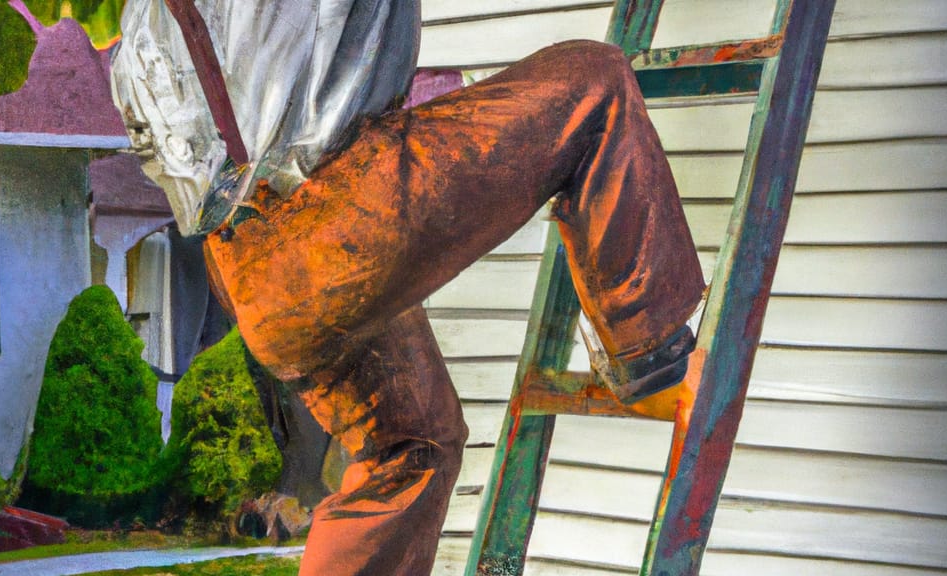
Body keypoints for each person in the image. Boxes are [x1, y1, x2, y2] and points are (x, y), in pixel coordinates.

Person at [110, 1, 705, 574]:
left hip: (247, 272)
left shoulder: (145, 19)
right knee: (593, 82)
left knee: (410, 448)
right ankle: (646, 352)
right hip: (329, 222)